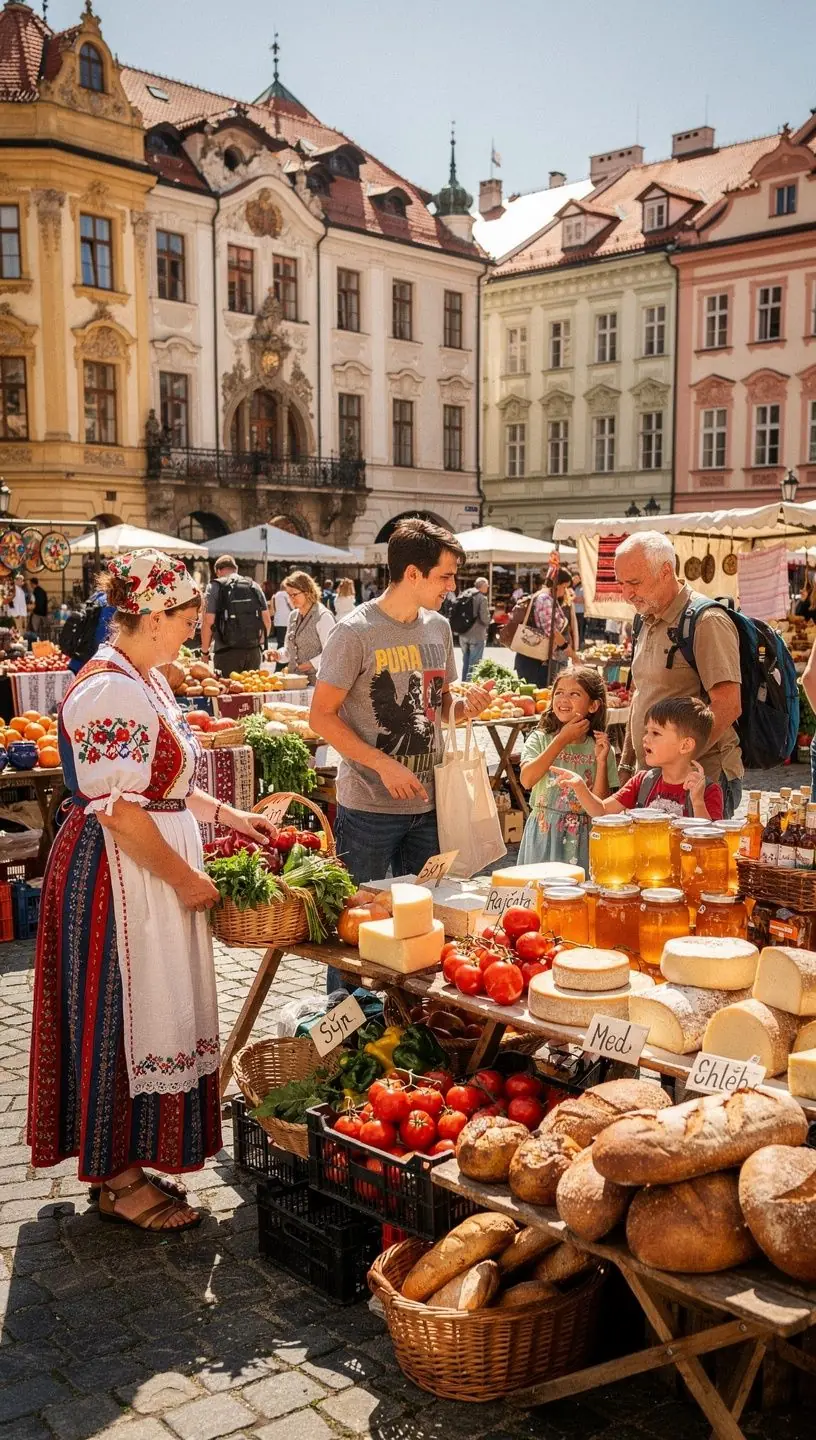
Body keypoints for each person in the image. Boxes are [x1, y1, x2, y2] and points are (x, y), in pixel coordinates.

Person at [27, 550, 276, 1231]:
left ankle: (133, 1160)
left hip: (144, 869)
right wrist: (184, 876)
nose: (197, 630)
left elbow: (160, 785)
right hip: (119, 876)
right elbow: (120, 809)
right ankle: (120, 1178)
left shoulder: (147, 681)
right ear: (156, 616)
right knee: (117, 1011)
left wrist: (227, 816)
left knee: (151, 1008)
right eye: (190, 618)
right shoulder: (112, 690)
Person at [310, 519, 491, 974]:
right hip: (369, 808)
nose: (452, 587)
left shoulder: (440, 628)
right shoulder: (354, 633)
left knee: (428, 927)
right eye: (445, 576)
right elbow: (320, 716)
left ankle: (413, 1024)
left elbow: (440, 704)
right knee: (355, 931)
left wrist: (465, 706)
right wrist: (382, 765)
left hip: (431, 804)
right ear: (412, 574)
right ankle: (346, 1024)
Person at [614, 531, 743, 817]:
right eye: (621, 583)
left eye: (634, 582)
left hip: (699, 781)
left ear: (665, 572)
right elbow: (642, 694)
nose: (626, 594)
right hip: (655, 778)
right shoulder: (644, 619)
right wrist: (627, 764)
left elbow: (728, 705)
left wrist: (677, 766)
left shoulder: (707, 621)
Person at [554, 696, 724, 821]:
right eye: (646, 731)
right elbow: (602, 810)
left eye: (656, 733)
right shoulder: (643, 781)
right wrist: (579, 786)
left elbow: (710, 841)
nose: (645, 738)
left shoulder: (708, 791)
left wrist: (698, 801)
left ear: (685, 745)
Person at [518, 666, 617, 873]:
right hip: (543, 834)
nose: (564, 699)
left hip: (581, 839)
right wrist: (561, 739)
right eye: (559, 692)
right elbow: (527, 780)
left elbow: (601, 810)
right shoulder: (540, 738)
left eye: (574, 694)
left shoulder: (600, 747)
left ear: (593, 705)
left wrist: (600, 762)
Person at [200, 554, 271, 677]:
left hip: (226, 653)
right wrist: (257, 644)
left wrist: (205, 652)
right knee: (252, 690)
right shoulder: (254, 586)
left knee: (228, 692)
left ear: (217, 571)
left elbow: (208, 621)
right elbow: (267, 620)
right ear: (236, 569)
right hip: (253, 652)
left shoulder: (214, 586)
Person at [514, 568, 578, 687]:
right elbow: (553, 632)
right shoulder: (545, 599)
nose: (565, 591)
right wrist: (571, 654)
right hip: (535, 662)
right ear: (557, 584)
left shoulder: (549, 598)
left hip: (538, 660)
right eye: (564, 587)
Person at [268, 571, 335, 680]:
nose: (291, 598)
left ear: (307, 592)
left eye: (294, 594)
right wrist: (278, 655)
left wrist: (309, 664)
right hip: (294, 682)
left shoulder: (323, 617)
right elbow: (289, 651)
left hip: (317, 683)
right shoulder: (293, 616)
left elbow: (332, 653)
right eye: (289, 595)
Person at [457, 577, 491, 682]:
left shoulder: (464, 593)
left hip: (463, 633)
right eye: (487, 585)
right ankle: (469, 687)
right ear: (482, 586)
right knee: (474, 664)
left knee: (466, 661)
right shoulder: (481, 598)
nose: (488, 587)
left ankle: (464, 683)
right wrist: (489, 621)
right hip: (476, 635)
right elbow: (484, 618)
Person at [272, 582, 292, 647]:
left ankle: (278, 655)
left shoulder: (275, 595)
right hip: (287, 620)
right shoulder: (287, 595)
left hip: (278, 620)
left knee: (280, 642)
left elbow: (273, 608)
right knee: (287, 642)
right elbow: (292, 606)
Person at [571, 573, 586, 649]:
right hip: (574, 611)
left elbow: (583, 599)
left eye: (576, 578)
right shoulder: (573, 588)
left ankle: (579, 645)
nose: (574, 580)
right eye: (574, 578)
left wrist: (573, 599)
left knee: (580, 630)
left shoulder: (582, 588)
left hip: (580, 612)